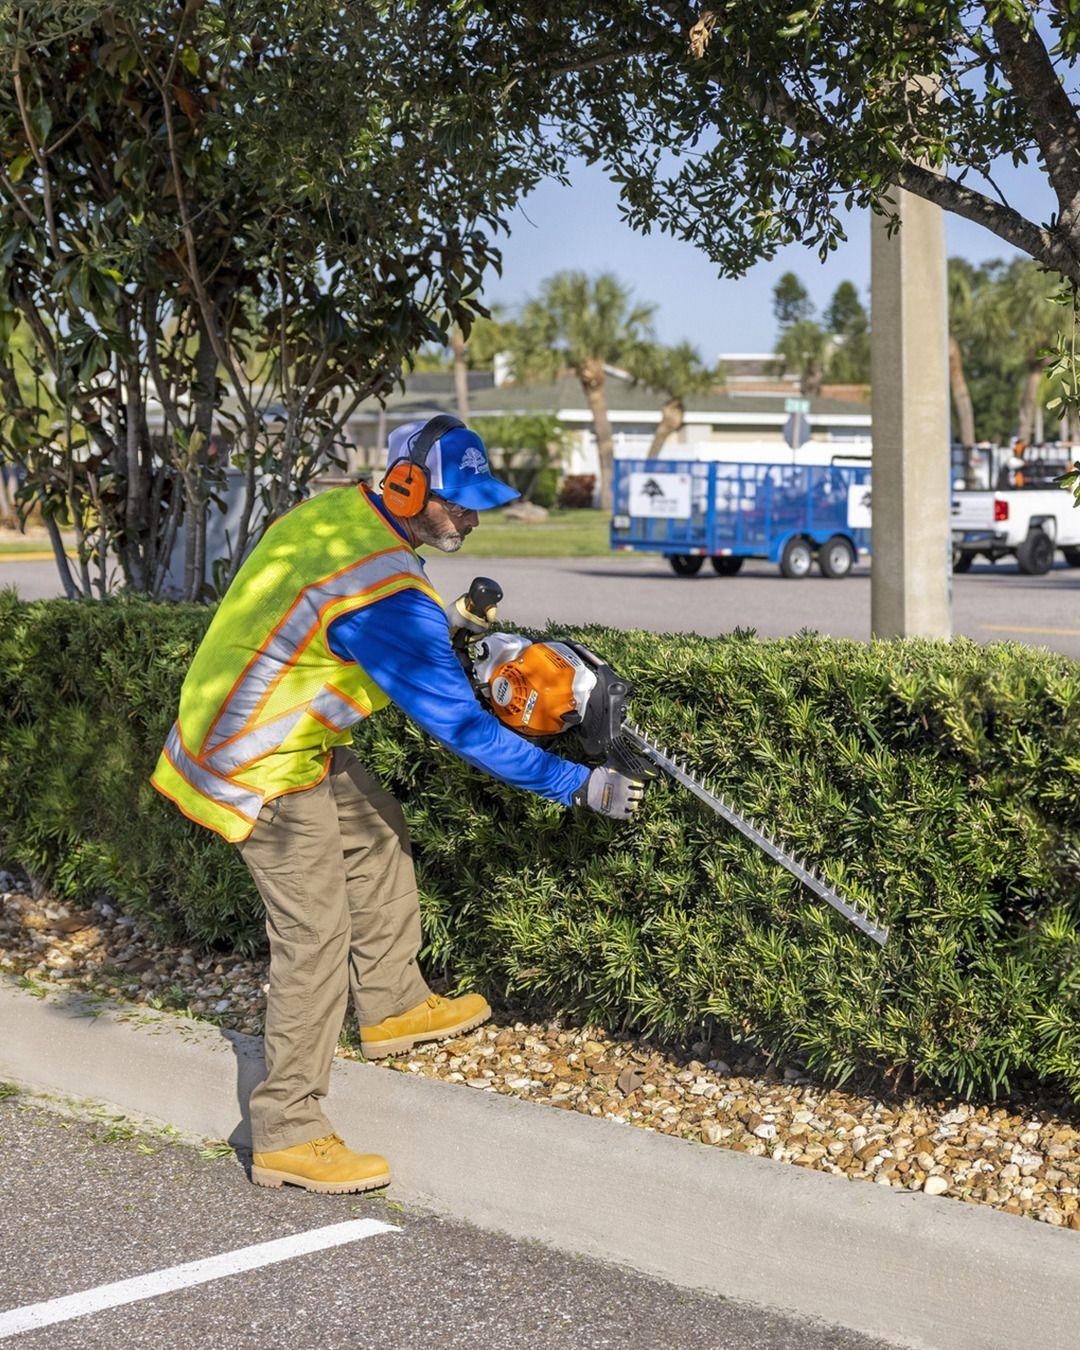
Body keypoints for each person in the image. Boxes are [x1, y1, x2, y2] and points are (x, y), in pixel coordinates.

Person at [150, 415, 645, 1195]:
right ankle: (287, 1128)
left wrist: (443, 633)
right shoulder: (388, 593)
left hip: (271, 733)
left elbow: (342, 625)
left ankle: (390, 1005)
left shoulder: (341, 514)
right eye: (460, 504)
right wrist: (578, 784)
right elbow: (462, 728)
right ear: (408, 486)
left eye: (480, 503)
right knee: (314, 937)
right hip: (257, 762)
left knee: (378, 829)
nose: (472, 520)